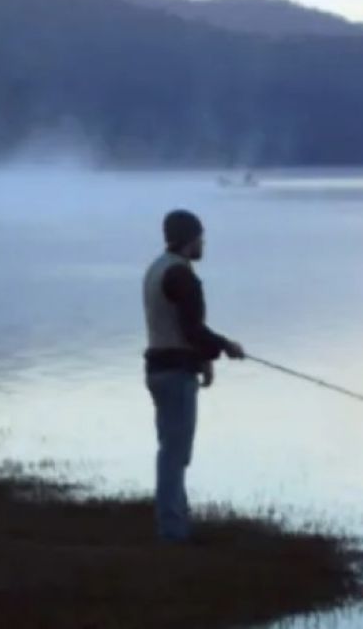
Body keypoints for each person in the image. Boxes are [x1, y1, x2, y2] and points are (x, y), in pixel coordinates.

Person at [142, 210, 245, 542]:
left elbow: (179, 328)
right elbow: (192, 329)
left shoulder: (157, 268)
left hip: (159, 369)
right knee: (175, 455)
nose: (203, 242)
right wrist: (225, 346)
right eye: (200, 236)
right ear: (189, 239)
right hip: (175, 373)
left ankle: (177, 524)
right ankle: (172, 533)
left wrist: (205, 358)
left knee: (172, 450)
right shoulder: (181, 276)